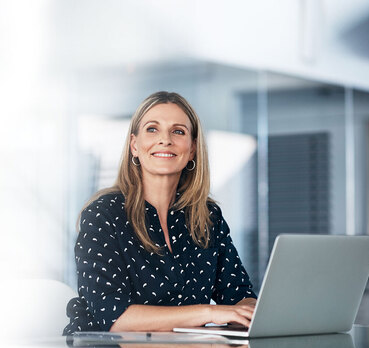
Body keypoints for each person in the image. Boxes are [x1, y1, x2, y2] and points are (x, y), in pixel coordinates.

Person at [63, 91, 257, 335]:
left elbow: (240, 295)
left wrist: (249, 310)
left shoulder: (207, 217)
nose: (165, 140)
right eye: (152, 129)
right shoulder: (104, 214)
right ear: (135, 145)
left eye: (178, 131)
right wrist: (209, 312)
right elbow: (114, 317)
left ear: (193, 148)